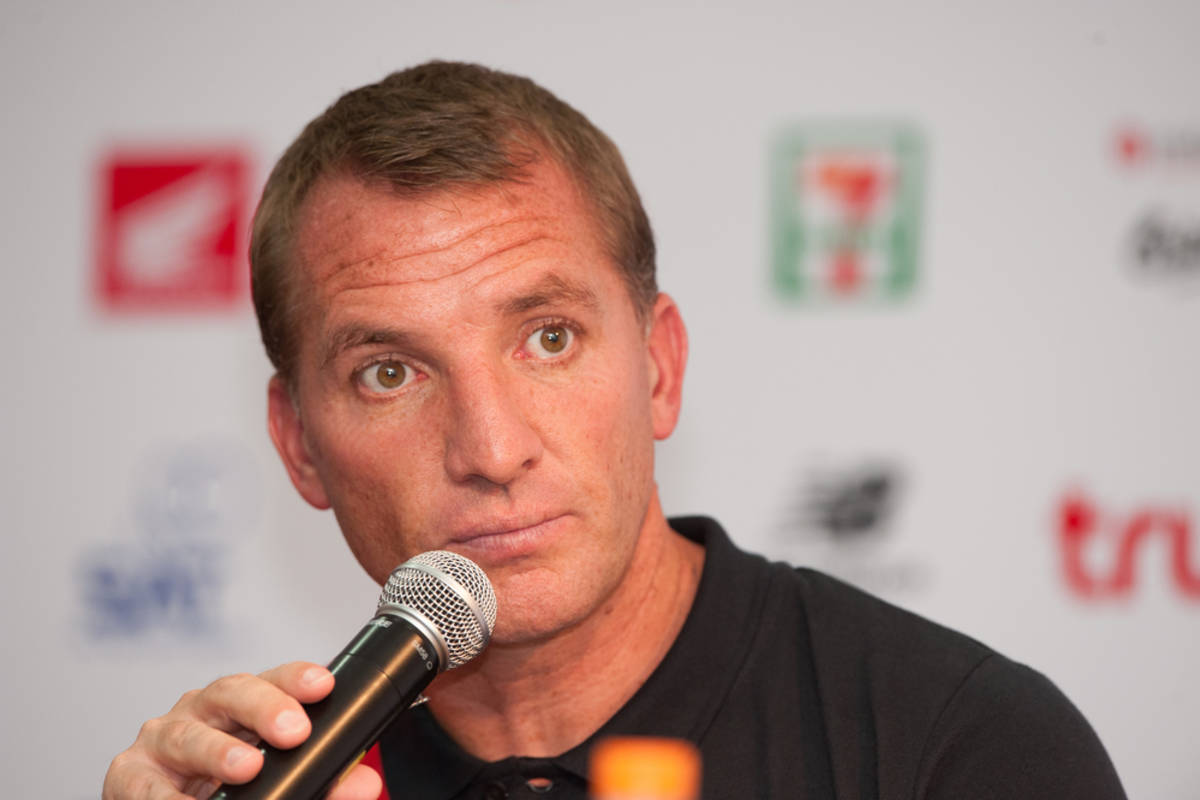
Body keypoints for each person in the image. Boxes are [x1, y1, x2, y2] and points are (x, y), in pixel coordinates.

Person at [102, 61, 1126, 800]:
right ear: (298, 445)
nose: (491, 450)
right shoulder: (286, 781)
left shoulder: (961, 747)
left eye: (548, 338)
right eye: (390, 373)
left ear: (660, 367)